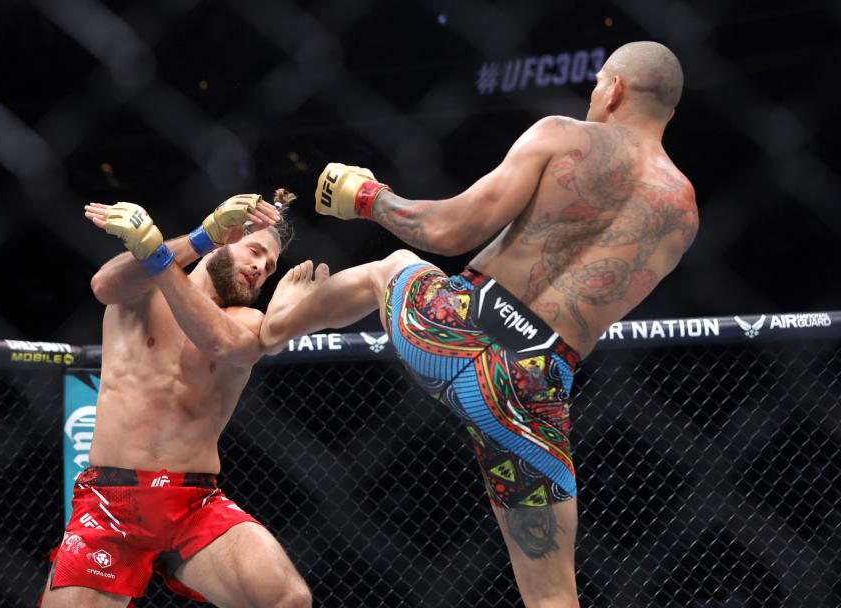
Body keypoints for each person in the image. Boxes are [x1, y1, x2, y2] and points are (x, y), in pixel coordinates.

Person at [261, 41, 698, 607]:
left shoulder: (564, 134)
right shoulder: (682, 212)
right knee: (552, 596)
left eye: (597, 83)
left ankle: (275, 328)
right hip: (532, 386)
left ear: (613, 89)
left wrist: (367, 197)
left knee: (390, 268)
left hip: (453, 325)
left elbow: (449, 232)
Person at [38, 190, 312, 607]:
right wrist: (201, 238)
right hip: (112, 501)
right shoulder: (143, 290)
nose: (261, 268)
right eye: (255, 251)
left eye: (270, 267)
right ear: (227, 236)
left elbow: (223, 344)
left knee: (286, 599)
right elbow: (104, 284)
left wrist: (157, 256)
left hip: (194, 503)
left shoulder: (249, 320)